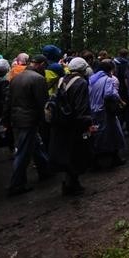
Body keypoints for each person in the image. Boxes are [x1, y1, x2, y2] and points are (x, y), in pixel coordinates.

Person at [5, 54, 51, 196]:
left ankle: (45, 170)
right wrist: (45, 121)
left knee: (36, 145)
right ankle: (16, 184)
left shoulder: (16, 77)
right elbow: (42, 103)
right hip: (29, 120)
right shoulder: (38, 79)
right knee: (24, 152)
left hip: (17, 118)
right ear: (42, 64)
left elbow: (8, 100)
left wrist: (6, 119)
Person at [49, 57, 92, 196]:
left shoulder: (62, 79)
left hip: (62, 122)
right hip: (75, 123)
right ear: (83, 69)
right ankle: (73, 183)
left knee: (67, 152)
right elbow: (81, 106)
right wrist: (88, 122)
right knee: (77, 152)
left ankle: (68, 182)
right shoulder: (81, 83)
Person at [88, 60, 126, 169]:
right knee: (114, 132)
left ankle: (95, 161)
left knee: (96, 133)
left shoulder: (92, 79)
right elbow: (110, 93)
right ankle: (114, 158)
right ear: (110, 69)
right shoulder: (108, 80)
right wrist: (120, 101)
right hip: (104, 110)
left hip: (93, 110)